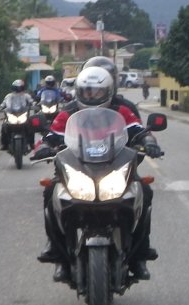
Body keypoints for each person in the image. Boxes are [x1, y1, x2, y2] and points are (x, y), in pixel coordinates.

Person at [35, 66, 162, 283]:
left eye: (97, 91)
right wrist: (44, 145)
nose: (91, 95)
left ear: (108, 90)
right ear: (79, 91)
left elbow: (139, 131)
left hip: (113, 167)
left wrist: (149, 142)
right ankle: (57, 254)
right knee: (50, 192)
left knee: (145, 191)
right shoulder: (69, 112)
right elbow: (52, 134)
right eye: (87, 91)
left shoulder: (122, 110)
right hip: (80, 168)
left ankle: (140, 254)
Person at [0, 79, 33, 151]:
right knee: (4, 126)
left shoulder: (26, 96)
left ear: (23, 88)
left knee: (31, 125)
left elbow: (31, 102)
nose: (18, 89)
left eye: (20, 87)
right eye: (16, 88)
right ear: (13, 88)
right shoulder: (9, 96)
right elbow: (4, 103)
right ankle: (4, 144)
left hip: (23, 115)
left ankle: (31, 143)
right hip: (11, 115)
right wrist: (1, 107)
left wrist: (34, 105)